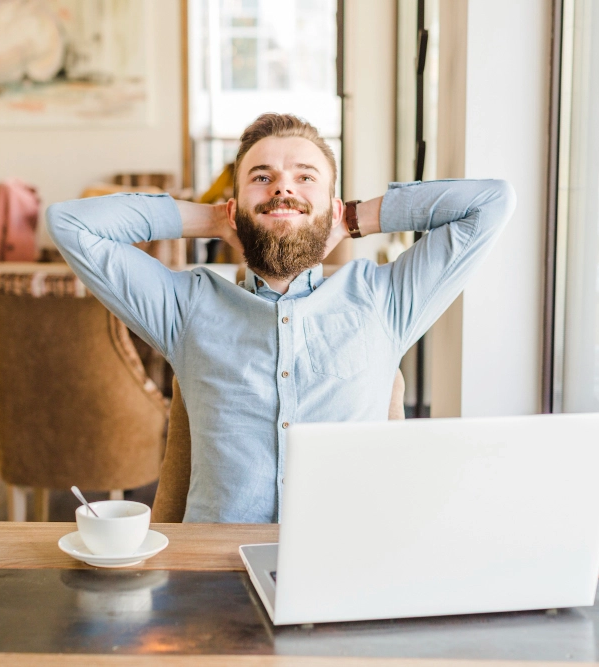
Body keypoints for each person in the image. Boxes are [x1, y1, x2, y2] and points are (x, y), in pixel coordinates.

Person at [47, 113, 515, 523]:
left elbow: (490, 203)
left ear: (333, 206)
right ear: (235, 206)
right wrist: (211, 220)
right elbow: (71, 224)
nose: (283, 187)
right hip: (214, 580)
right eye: (261, 177)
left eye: (305, 177)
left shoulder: (384, 300)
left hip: (343, 568)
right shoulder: (185, 308)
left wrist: (355, 217)